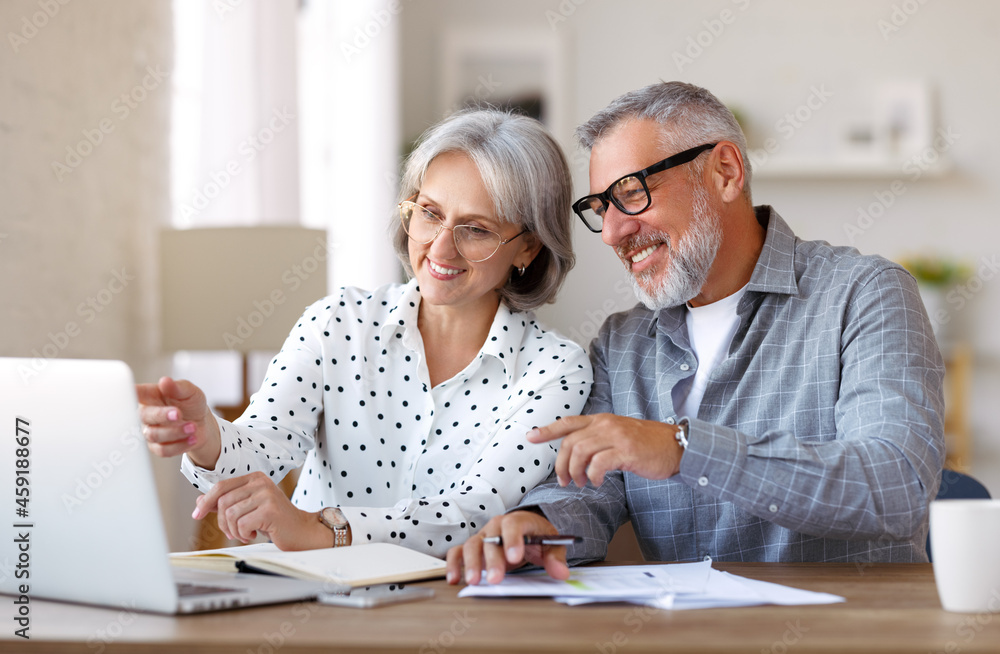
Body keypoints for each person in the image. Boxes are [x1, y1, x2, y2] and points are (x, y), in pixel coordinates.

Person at [446, 81, 945, 586]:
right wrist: (536, 526)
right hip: (685, 634)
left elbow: (895, 484)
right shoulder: (623, 342)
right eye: (602, 208)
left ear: (725, 172)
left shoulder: (865, 294)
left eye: (632, 194)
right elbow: (587, 491)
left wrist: (684, 449)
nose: (615, 232)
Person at [139, 109, 593, 558]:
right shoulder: (338, 323)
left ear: (528, 247)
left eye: (476, 229)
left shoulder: (553, 370)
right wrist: (205, 436)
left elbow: (474, 516)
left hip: (452, 616)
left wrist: (320, 529)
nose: (439, 246)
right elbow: (263, 445)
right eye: (430, 213)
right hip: (314, 610)